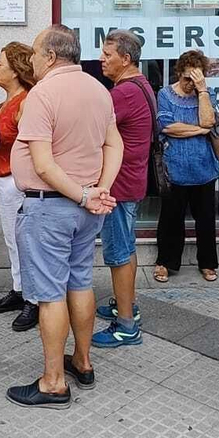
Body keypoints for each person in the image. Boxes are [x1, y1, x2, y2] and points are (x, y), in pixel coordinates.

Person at [6, 26, 122, 410]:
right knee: (80, 282)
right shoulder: (98, 89)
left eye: (36, 53)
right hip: (85, 208)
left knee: (49, 294)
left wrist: (88, 194)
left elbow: (43, 163)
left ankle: (54, 381)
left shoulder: (43, 94)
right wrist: (98, 190)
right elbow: (113, 143)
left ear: (51, 56)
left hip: (51, 206)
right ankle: (83, 362)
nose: (33, 60)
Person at [92, 29, 154, 349]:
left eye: (107, 54)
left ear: (125, 59)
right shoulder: (140, 85)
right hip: (131, 181)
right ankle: (125, 303)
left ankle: (126, 325)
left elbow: (91, 124)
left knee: (118, 254)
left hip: (118, 185)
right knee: (126, 248)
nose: (101, 59)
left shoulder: (124, 93)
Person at [150, 49, 219, 287]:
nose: (190, 84)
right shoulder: (166, 95)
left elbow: (208, 121)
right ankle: (166, 261)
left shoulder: (205, 94)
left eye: (196, 79)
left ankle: (208, 263)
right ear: (179, 72)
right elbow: (168, 127)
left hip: (204, 167)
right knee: (171, 218)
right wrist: (200, 131)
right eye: (187, 79)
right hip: (175, 167)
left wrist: (203, 91)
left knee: (205, 219)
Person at [0, 42, 36, 317]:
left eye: (0, 63)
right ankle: (20, 290)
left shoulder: (26, 102)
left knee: (21, 241)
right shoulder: (6, 102)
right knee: (11, 240)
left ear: (16, 71)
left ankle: (33, 298)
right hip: (2, 181)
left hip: (15, 182)